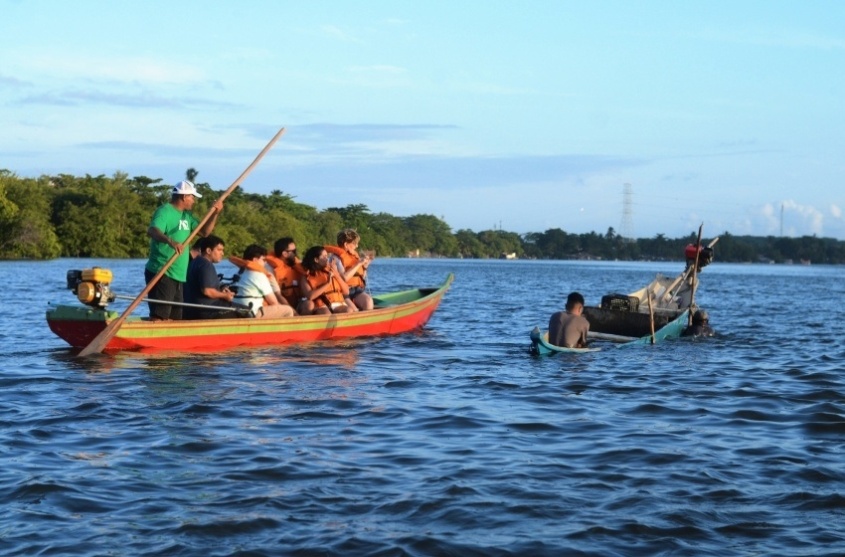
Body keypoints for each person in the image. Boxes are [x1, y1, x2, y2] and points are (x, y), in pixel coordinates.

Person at [145, 180, 223, 320]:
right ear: (183, 197)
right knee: (160, 316)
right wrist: (170, 241)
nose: (194, 201)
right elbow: (152, 230)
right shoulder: (165, 211)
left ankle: (170, 340)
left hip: (179, 274)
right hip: (163, 271)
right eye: (192, 197)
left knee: (176, 317)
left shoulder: (187, 216)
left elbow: (204, 232)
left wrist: (215, 213)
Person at [184, 236, 249, 320]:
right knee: (246, 311)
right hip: (207, 310)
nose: (222, 253)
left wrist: (221, 288)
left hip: (193, 309)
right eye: (219, 250)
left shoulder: (195, 262)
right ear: (208, 251)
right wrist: (225, 296)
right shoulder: (206, 265)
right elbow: (207, 291)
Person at [232, 244, 295, 319]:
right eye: (263, 260)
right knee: (287, 310)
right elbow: (273, 302)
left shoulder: (239, 272)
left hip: (237, 309)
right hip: (252, 312)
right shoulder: (258, 275)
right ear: (255, 260)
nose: (265, 263)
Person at [325, 228, 373, 311]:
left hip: (356, 290)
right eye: (354, 243)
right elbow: (344, 278)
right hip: (343, 292)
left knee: (368, 301)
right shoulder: (336, 258)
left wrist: (365, 267)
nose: (357, 246)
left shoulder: (354, 256)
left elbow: (362, 277)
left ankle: (367, 322)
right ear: (346, 244)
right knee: (354, 311)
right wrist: (358, 264)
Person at [299, 245, 351, 315]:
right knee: (326, 314)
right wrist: (327, 283)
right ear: (316, 260)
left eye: (327, 256)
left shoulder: (333, 271)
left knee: (348, 310)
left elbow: (346, 291)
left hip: (337, 303)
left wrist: (336, 274)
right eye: (324, 256)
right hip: (320, 305)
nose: (327, 258)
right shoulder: (306, 277)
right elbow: (310, 296)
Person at [266, 237, 306, 308]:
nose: (296, 253)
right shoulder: (270, 269)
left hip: (299, 302)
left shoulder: (296, 264)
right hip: (282, 306)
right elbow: (278, 295)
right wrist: (295, 314)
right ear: (284, 254)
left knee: (309, 304)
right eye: (294, 251)